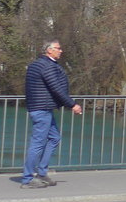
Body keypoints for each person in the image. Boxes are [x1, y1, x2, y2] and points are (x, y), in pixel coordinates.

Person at [22, 40, 82, 189]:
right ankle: (27, 179)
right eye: (58, 48)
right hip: (41, 109)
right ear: (49, 50)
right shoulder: (46, 66)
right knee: (37, 143)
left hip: (42, 108)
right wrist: (72, 104)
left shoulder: (39, 64)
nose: (61, 51)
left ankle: (42, 173)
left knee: (54, 138)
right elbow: (55, 87)